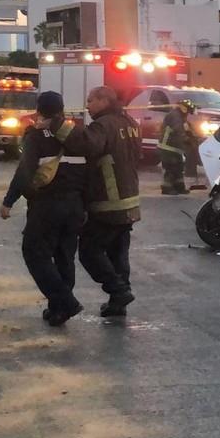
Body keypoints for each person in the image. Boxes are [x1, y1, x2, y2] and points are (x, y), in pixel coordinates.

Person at [0, 91, 87, 327]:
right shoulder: (79, 135)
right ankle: (58, 310)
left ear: (39, 110)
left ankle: (65, 302)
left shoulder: (36, 136)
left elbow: (25, 172)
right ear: (62, 109)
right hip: (76, 205)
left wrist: (9, 201)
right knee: (64, 256)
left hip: (47, 205)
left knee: (34, 252)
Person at [62, 86, 142, 318]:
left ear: (104, 101)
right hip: (129, 201)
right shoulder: (129, 123)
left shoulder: (103, 126)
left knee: (89, 252)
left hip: (108, 201)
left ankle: (118, 290)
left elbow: (86, 145)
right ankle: (119, 302)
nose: (87, 105)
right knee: (118, 253)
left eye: (90, 100)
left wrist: (62, 129)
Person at [158, 98, 196, 195]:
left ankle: (179, 187)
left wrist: (191, 136)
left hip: (175, 148)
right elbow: (178, 131)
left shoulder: (180, 116)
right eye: (188, 112)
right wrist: (187, 140)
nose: (188, 115)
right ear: (184, 109)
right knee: (171, 167)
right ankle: (167, 188)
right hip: (167, 147)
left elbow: (186, 129)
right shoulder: (175, 116)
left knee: (179, 168)